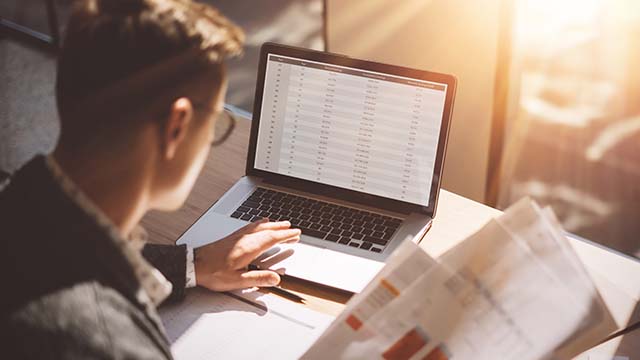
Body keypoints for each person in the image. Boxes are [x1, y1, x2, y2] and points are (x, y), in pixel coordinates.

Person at [0, 0, 301, 358]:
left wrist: (194, 264)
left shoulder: (17, 199)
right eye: (216, 124)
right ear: (178, 126)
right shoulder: (105, 342)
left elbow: (56, 250)